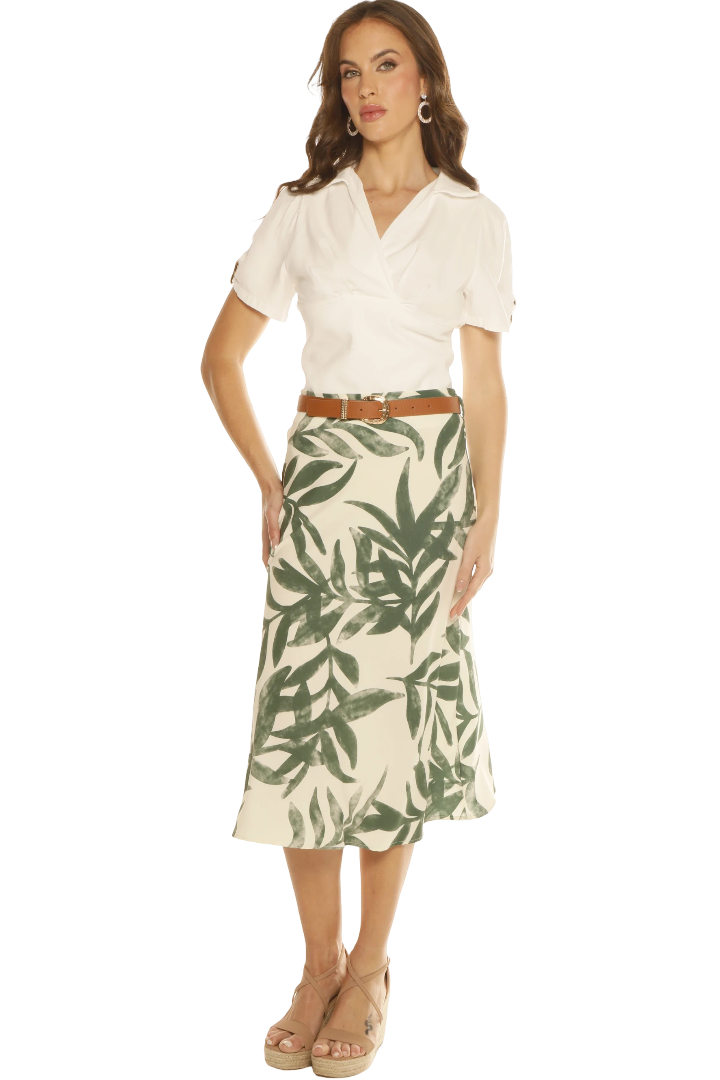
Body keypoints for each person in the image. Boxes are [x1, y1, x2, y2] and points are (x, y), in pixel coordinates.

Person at [201, 1, 515, 1073]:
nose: (366, 87)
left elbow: (486, 384)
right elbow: (220, 359)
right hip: (325, 480)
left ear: (425, 80)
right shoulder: (304, 209)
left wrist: (487, 511)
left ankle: (372, 968)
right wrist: (269, 480)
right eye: (348, 72)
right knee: (305, 735)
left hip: (422, 485)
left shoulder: (474, 218)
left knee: (389, 738)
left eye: (386, 65)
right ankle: (316, 965)